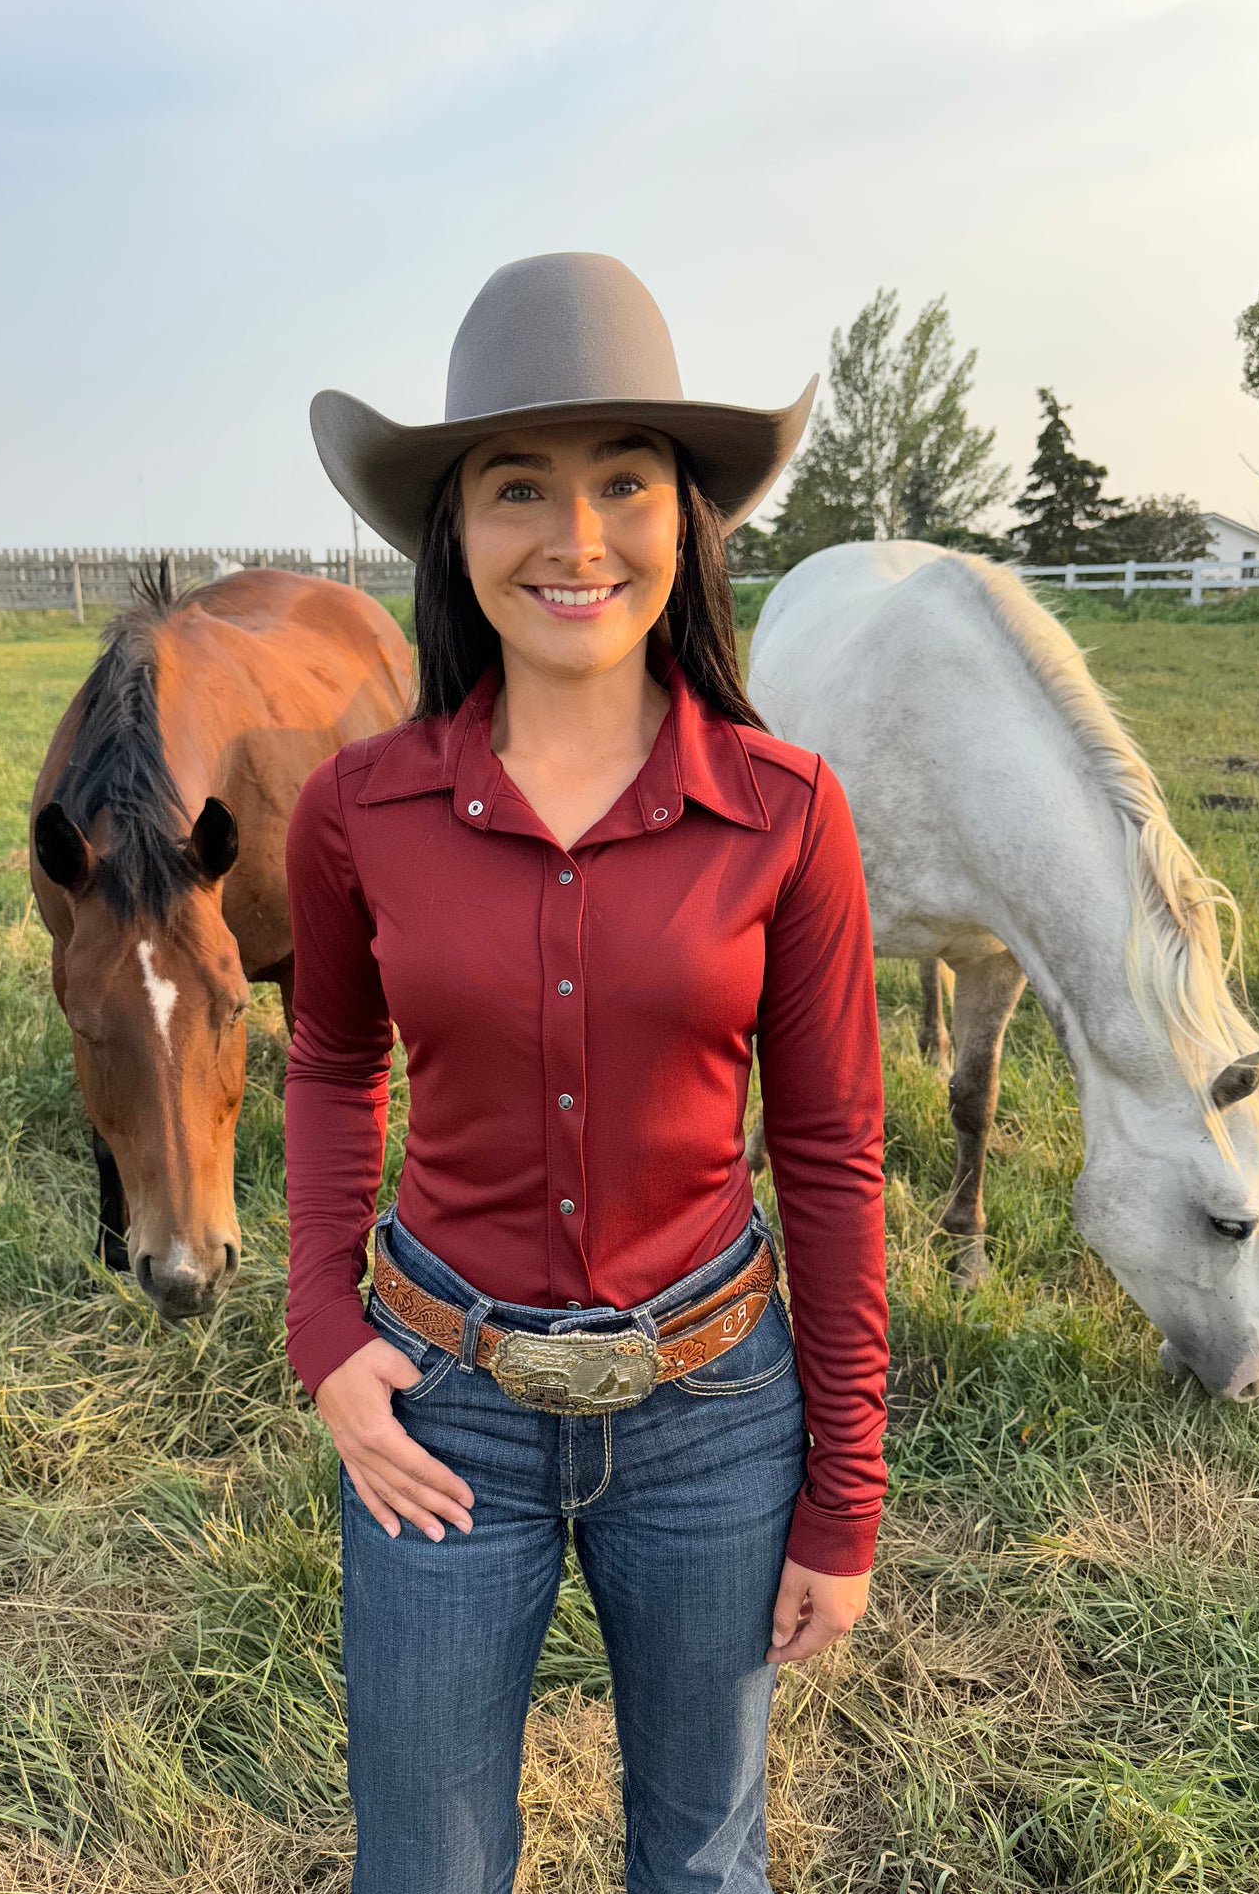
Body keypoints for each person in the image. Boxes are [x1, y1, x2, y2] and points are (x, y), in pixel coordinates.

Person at [285, 251, 889, 1894]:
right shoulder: (356, 813)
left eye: (623, 479)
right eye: (515, 486)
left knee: (700, 1860)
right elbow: (333, 1060)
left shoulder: (785, 812)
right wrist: (323, 1331)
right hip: (437, 1415)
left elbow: (830, 1152)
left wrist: (844, 1487)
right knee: (425, 1863)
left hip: (712, 1414)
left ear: (684, 518)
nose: (573, 536)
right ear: (452, 529)